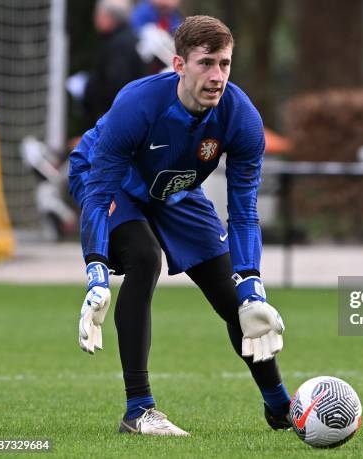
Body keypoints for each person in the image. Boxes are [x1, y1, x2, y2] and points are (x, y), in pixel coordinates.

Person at [69, 15, 290, 436]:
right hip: (111, 180)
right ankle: (139, 411)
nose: (217, 75)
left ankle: (281, 407)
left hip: (174, 190)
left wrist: (253, 286)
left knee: (235, 300)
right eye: (206, 63)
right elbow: (98, 194)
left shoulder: (242, 118)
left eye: (224, 64)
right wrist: (96, 273)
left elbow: (243, 212)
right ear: (178, 65)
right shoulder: (137, 104)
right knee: (145, 258)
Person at [83, 0, 147, 127]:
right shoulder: (131, 39)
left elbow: (116, 87)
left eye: (98, 15)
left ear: (109, 18)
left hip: (116, 123)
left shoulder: (118, 46)